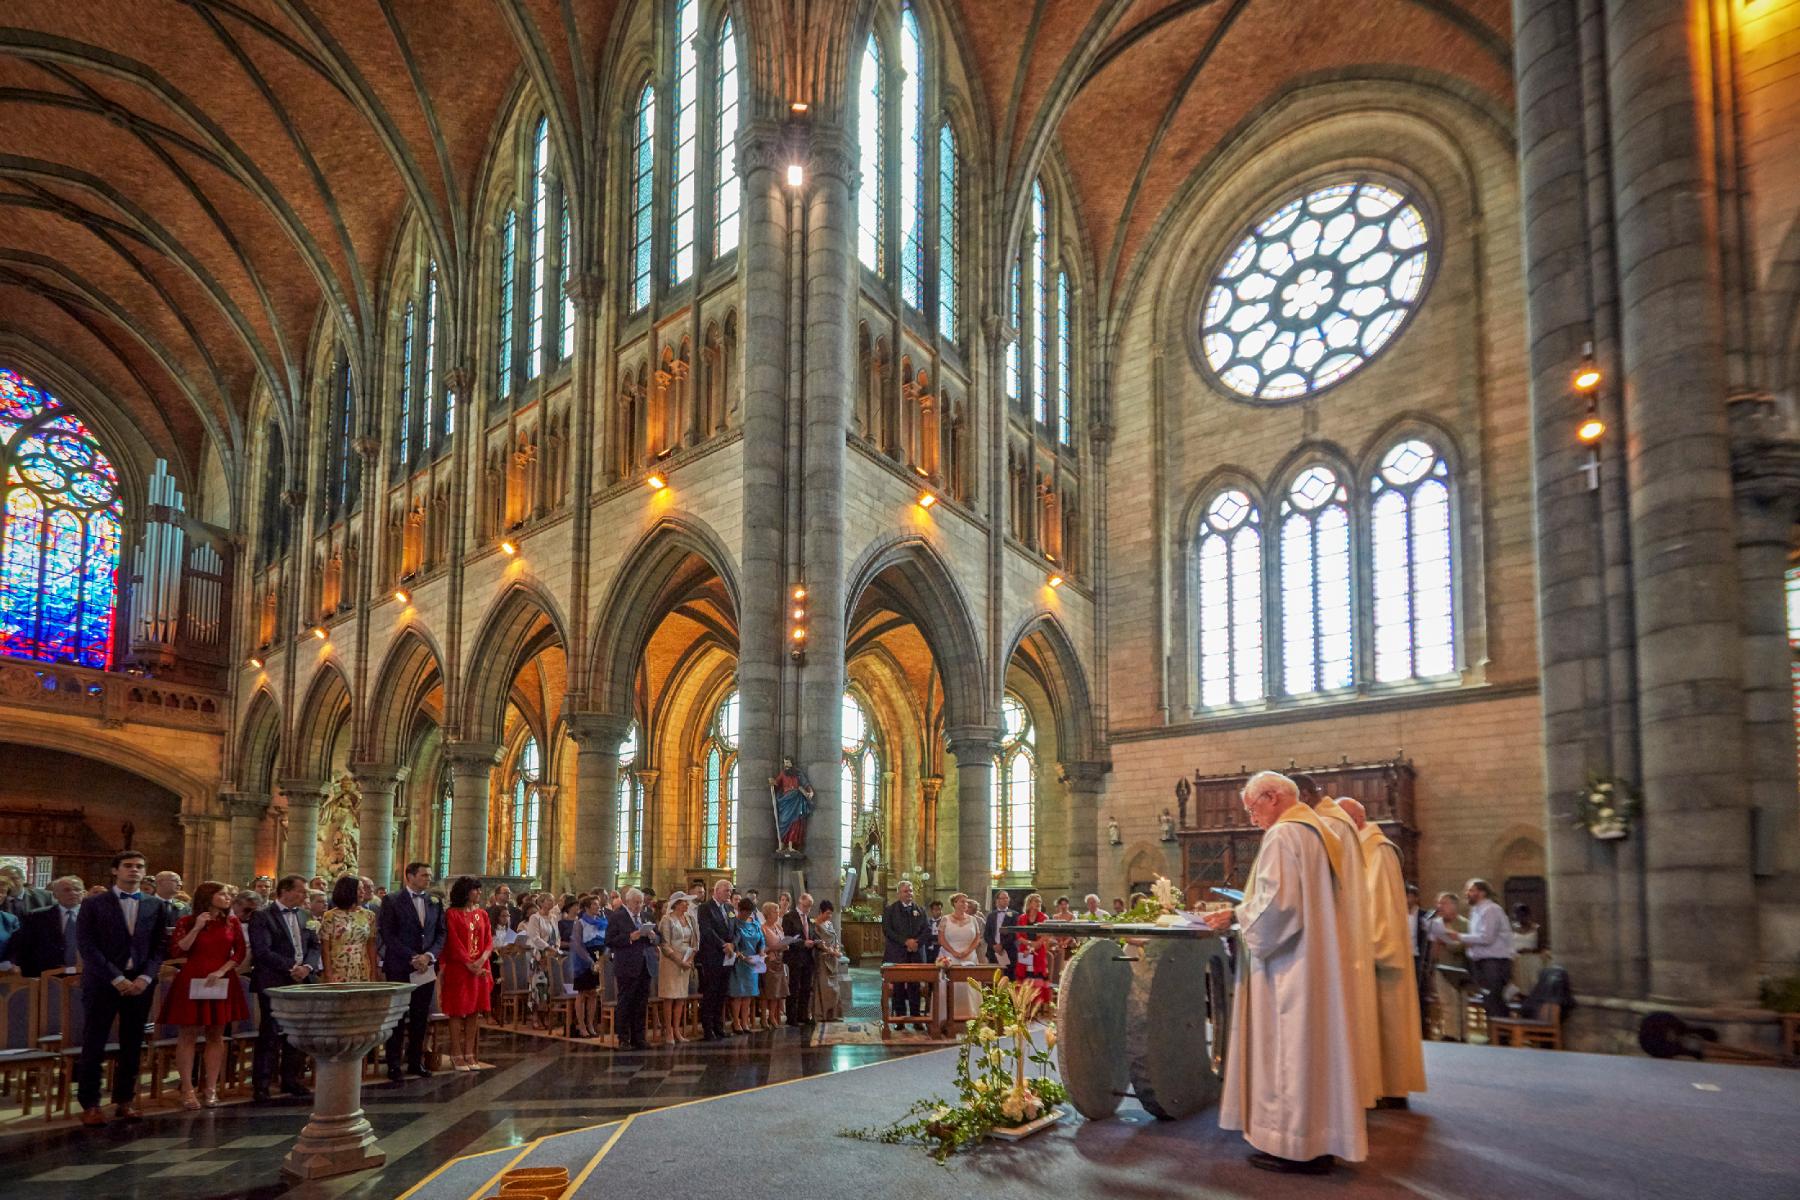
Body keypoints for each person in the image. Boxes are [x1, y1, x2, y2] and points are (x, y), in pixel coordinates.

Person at [1202, 771, 1364, 1174]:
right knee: (1311, 1052)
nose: (1252, 818)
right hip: (1314, 961)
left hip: (1289, 969)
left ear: (1272, 797)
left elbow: (1277, 907)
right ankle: (1318, 1141)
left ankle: (1294, 1146)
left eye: (1252, 808)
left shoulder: (1283, 835)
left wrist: (1236, 917)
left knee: (1288, 1052)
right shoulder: (1319, 833)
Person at [1294, 776, 1379, 1109]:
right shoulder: (1335, 822)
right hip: (1342, 934)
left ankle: (1334, 1101)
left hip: (1330, 937)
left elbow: (1311, 888)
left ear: (1303, 795)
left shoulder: (1326, 825)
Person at [1339, 797, 1426, 1108]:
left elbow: (1383, 908)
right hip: (1363, 952)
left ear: (1355, 821)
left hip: (1379, 958)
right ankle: (1376, 1087)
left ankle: (1392, 1089)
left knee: (1387, 1023)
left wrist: (1369, 949)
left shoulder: (1378, 849)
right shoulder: (1360, 848)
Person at [74, 850, 168, 1126]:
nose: (134, 870)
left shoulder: (154, 904)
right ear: (115, 870)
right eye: (128, 865)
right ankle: (91, 1104)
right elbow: (87, 945)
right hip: (103, 981)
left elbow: (159, 946)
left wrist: (146, 977)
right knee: (95, 1041)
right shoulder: (94, 903)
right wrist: (116, 978)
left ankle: (124, 1100)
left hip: (140, 982)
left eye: (139, 866)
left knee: (132, 1042)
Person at [161, 880, 250, 1109]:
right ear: (208, 897)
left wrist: (222, 971)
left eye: (228, 894)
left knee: (216, 1034)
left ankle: (211, 1088)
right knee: (188, 1034)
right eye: (223, 894)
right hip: (193, 977)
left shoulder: (232, 922)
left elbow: (240, 952)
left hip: (220, 979)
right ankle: (187, 1089)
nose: (228, 898)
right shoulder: (187, 921)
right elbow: (178, 949)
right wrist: (197, 927)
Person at [247, 874, 319, 1101]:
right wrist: (291, 967)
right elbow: (262, 950)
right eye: (301, 891)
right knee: (270, 1032)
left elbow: (314, 946)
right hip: (274, 980)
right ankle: (262, 1083)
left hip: (302, 980)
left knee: (297, 1032)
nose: (305, 895)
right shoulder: (263, 915)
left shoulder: (306, 915)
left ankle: (291, 1078)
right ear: (285, 891)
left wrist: (307, 967)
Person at [378, 862, 447, 1082]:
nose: (428, 878)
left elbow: (441, 933)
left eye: (429, 875)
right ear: (410, 876)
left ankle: (415, 1061)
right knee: (398, 1016)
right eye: (424, 875)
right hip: (400, 965)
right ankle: (394, 1063)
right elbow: (388, 934)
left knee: (420, 1016)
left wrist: (429, 956)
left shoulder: (434, 901)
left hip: (426, 967)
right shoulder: (392, 900)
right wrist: (413, 957)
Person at [441, 876, 495, 1070]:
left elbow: (489, 941)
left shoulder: (482, 914)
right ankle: (456, 1053)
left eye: (480, 889)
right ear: (465, 892)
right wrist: (468, 963)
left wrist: (481, 960)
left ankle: (470, 1053)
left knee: (474, 1010)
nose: (479, 892)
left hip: (480, 968)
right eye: (475, 889)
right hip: (459, 968)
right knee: (457, 1011)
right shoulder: (452, 914)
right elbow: (453, 942)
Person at [1451, 878, 1515, 1020]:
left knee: (1495, 1000)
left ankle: (1502, 1031)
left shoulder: (1491, 909)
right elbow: (1476, 937)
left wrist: (1459, 936)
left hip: (1494, 962)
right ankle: (1494, 1030)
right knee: (1488, 1001)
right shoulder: (1475, 911)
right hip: (1481, 962)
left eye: (1471, 890)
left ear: (1482, 892)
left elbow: (1487, 938)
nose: (1467, 893)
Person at [607, 887, 659, 1049]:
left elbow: (659, 938)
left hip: (645, 964)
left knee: (641, 1002)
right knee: (626, 1002)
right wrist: (629, 937)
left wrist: (653, 937)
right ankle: (623, 1038)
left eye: (641, 902)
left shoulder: (646, 916)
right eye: (636, 903)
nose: (639, 906)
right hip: (626, 965)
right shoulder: (617, 917)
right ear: (627, 902)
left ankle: (639, 1037)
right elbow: (609, 940)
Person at [12, 875, 85, 976]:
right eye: (67, 890)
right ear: (55, 895)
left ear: (84, 893)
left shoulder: (95, 916)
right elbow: (25, 947)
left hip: (85, 975)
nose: (73, 893)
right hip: (46, 974)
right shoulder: (37, 916)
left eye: (77, 889)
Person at [883, 880, 931, 1028]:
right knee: (898, 987)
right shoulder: (891, 910)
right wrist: (905, 942)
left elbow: (927, 930)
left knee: (914, 986)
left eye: (910, 891)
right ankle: (900, 1019)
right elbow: (887, 930)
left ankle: (916, 1019)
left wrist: (916, 943)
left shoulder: (920, 910)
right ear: (899, 893)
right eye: (905, 891)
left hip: (916, 953)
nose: (909, 893)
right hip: (897, 953)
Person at [319, 875, 379, 982]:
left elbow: (371, 945)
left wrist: (373, 972)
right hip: (337, 967)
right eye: (359, 889)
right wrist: (328, 974)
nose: (363, 892)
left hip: (362, 966)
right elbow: (325, 948)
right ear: (348, 891)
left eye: (363, 889)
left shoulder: (369, 915)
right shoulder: (330, 916)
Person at [936, 892, 985, 1021]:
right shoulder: (945, 919)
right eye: (962, 901)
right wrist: (954, 952)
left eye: (966, 902)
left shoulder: (973, 919)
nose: (965, 904)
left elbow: (977, 938)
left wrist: (968, 950)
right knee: (953, 986)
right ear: (954, 903)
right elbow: (941, 939)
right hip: (950, 956)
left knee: (970, 986)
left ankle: (972, 1016)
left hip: (969, 957)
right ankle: (948, 1017)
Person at [697, 878, 736, 1039]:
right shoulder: (705, 908)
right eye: (727, 890)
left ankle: (719, 1026)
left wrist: (733, 944)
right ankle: (708, 1028)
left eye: (731, 890)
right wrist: (723, 945)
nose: (729, 893)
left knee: (722, 993)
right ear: (717, 890)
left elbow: (735, 929)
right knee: (711, 992)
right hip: (712, 956)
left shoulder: (729, 908)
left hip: (728, 956)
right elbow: (707, 930)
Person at [658, 891, 698, 1042]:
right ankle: (668, 1030)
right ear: (676, 904)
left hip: (686, 960)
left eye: (687, 902)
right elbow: (664, 944)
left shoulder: (689, 918)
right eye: (684, 902)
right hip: (671, 962)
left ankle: (677, 1029)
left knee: (681, 996)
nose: (687, 905)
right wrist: (678, 960)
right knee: (670, 996)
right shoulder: (667, 919)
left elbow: (695, 940)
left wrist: (690, 958)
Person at [727, 896, 765, 1033]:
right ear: (739, 910)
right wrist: (738, 953)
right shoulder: (734, 923)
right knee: (738, 994)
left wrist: (761, 951)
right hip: (739, 962)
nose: (747, 915)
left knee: (749, 994)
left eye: (750, 912)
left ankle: (745, 1021)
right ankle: (736, 1022)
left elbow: (762, 939)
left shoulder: (755, 923)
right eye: (745, 912)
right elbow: (732, 941)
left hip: (753, 961)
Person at [781, 892, 818, 1025]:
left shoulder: (809, 919)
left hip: (807, 957)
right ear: (799, 903)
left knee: (806, 988)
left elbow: (811, 934)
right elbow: (787, 937)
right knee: (794, 987)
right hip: (795, 957)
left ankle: (803, 1015)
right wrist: (803, 943)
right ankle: (792, 1017)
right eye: (806, 906)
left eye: (810, 906)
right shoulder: (789, 917)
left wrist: (816, 942)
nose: (808, 909)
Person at [1014, 892, 1051, 1003]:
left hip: (1038, 952)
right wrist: (1029, 944)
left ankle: (1037, 1003)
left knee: (1037, 976)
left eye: (1040, 902)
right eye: (1036, 901)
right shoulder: (1022, 918)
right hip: (1024, 951)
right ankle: (1024, 1003)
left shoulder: (1044, 917)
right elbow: (1018, 936)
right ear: (1029, 903)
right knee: (1024, 977)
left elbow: (1045, 936)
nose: (1038, 903)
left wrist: (1034, 946)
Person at [812, 899, 845, 1021]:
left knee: (835, 989)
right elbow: (818, 942)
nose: (829, 916)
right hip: (823, 960)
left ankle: (833, 1014)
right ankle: (822, 1015)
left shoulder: (829, 924)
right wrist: (831, 951)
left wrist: (837, 949)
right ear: (821, 912)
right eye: (827, 913)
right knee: (825, 988)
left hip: (833, 960)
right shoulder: (815, 925)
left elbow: (836, 939)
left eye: (831, 913)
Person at [757, 900, 788, 1029]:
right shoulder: (762, 928)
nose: (778, 913)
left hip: (779, 961)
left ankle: (772, 1017)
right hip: (768, 962)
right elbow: (761, 949)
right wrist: (772, 948)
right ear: (768, 914)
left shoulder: (778, 927)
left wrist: (785, 945)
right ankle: (764, 1018)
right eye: (775, 911)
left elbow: (782, 941)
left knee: (777, 991)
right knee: (767, 992)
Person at [982, 889, 1017, 971]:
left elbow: (1014, 933)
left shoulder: (1014, 915)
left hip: (1008, 950)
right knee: (993, 975)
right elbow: (987, 934)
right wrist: (994, 945)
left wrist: (1002, 945)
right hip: (992, 951)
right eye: (1003, 898)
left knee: (1008, 974)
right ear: (997, 900)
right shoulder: (991, 915)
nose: (1005, 900)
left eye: (1007, 898)